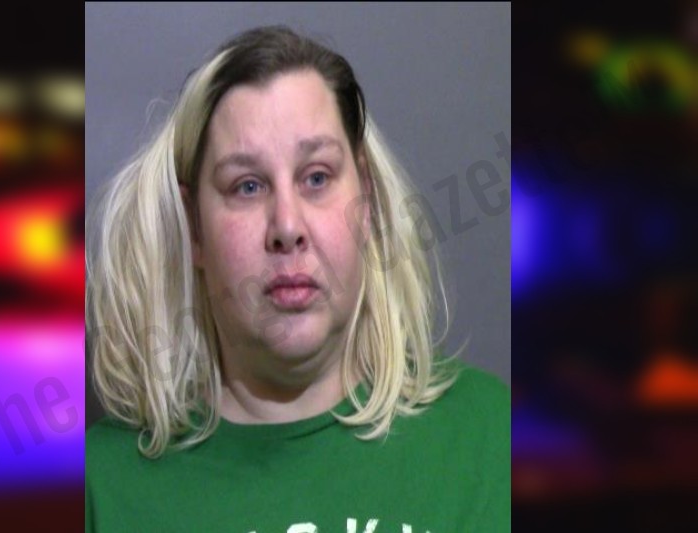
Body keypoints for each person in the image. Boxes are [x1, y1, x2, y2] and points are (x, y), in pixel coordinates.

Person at [86, 25, 509, 532]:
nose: (287, 227)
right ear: (193, 225)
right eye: (247, 186)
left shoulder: (494, 441)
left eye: (317, 177)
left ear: (365, 200)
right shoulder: (99, 487)